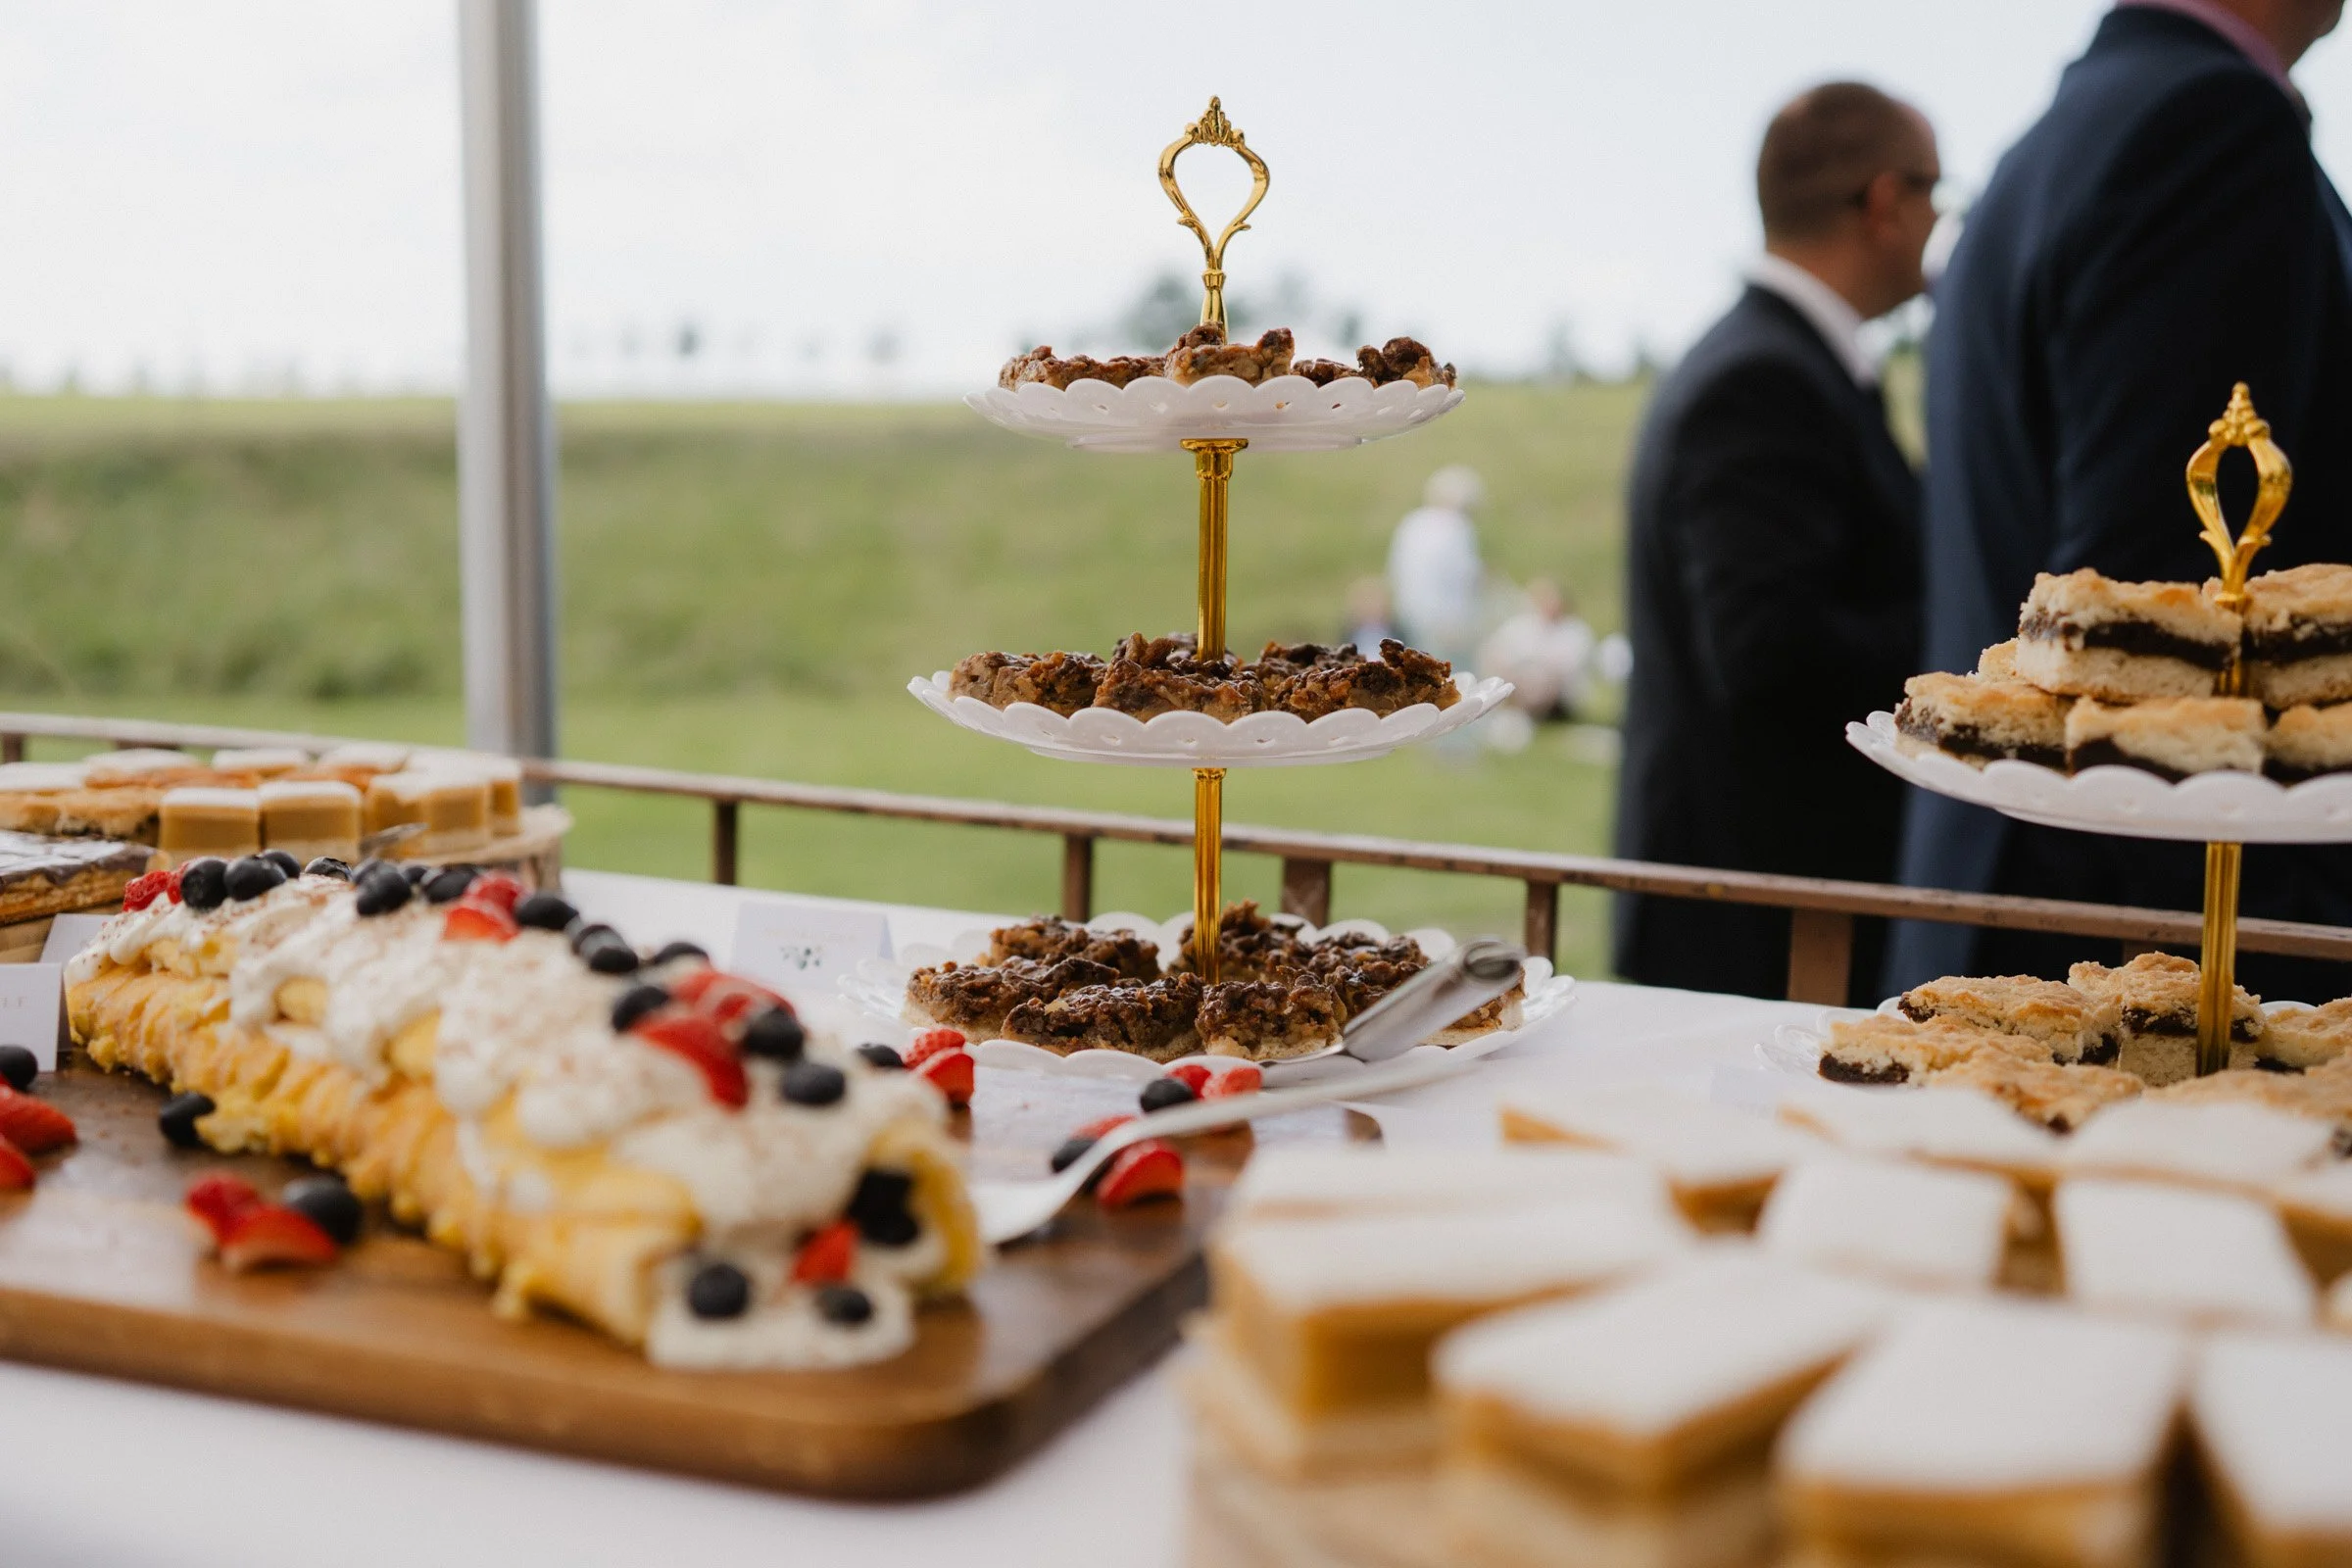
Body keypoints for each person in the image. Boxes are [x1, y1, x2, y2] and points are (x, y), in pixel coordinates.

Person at [1889, 0, 2352, 996]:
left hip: (2009, 893)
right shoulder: (2210, 130)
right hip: (2150, 943)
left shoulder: (2059, 139)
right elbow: (2154, 610)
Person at [1612, 82, 1935, 1003]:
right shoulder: (1763, 379)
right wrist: (1963, 643)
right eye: (1934, 192)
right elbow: (1767, 650)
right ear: (1883, 202)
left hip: (1765, 905)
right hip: (1759, 924)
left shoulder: (1778, 360)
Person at [1387, 466, 1487, 665]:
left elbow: (1395, 571)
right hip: (1448, 623)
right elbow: (1465, 576)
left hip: (1410, 613)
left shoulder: (1412, 522)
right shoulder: (1457, 527)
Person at [1479, 579, 1597, 722]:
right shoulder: (1522, 625)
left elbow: (1566, 670)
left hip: (1558, 696)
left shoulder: (1576, 632)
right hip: (1522, 684)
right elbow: (1495, 652)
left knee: (1539, 683)